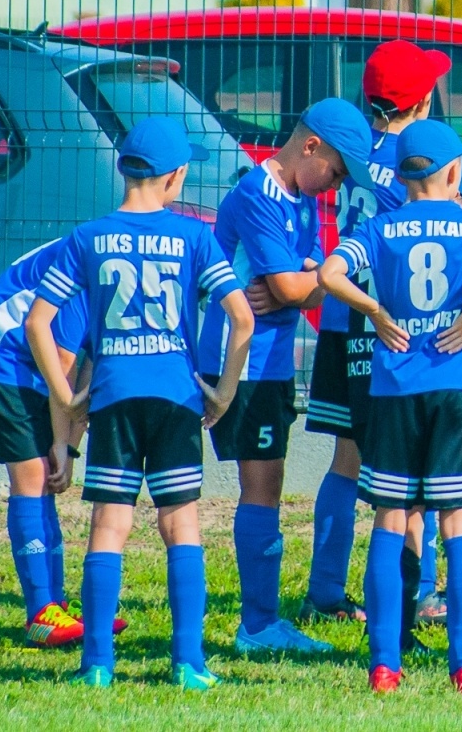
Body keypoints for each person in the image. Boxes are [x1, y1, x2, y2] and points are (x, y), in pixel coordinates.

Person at [25, 117, 255, 690]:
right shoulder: (193, 236)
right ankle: (189, 663)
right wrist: (225, 391)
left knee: (109, 526)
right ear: (175, 177)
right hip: (176, 396)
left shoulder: (88, 237)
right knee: (181, 524)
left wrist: (66, 397)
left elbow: (38, 323)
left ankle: (97, 666)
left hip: (114, 397)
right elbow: (242, 317)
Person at [318, 119, 462, 695]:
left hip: (393, 387)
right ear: (455, 172)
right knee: (457, 521)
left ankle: (385, 664)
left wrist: (375, 312)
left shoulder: (380, 226)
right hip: (452, 385)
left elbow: (331, 274)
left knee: (389, 518)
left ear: (402, 172)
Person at [197, 98, 373, 656]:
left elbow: (310, 286)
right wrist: (301, 284)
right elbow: (301, 285)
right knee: (260, 487)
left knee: (267, 485)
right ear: (311, 146)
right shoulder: (258, 194)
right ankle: (258, 626)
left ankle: (262, 622)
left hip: (268, 363)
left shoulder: (302, 199)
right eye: (336, 172)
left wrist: (302, 285)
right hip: (240, 363)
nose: (336, 185)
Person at [301, 41, 447, 631]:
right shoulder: (423, 159)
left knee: (346, 458)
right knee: (413, 461)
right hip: (394, 327)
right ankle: (423, 590)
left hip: (343, 319)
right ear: (424, 101)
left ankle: (325, 590)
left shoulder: (354, 150)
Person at [0, 240, 91, 647]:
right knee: (33, 474)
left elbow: (93, 361)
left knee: (47, 475)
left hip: (31, 360)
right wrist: (61, 442)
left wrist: (70, 447)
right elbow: (64, 363)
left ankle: (56, 604)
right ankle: (41, 613)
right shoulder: (94, 265)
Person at [413, 159, 462, 629]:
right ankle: (425, 598)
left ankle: (393, 637)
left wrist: (374, 313)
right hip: (448, 382)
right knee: (451, 510)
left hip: (398, 377)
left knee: (402, 505)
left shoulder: (392, 227)